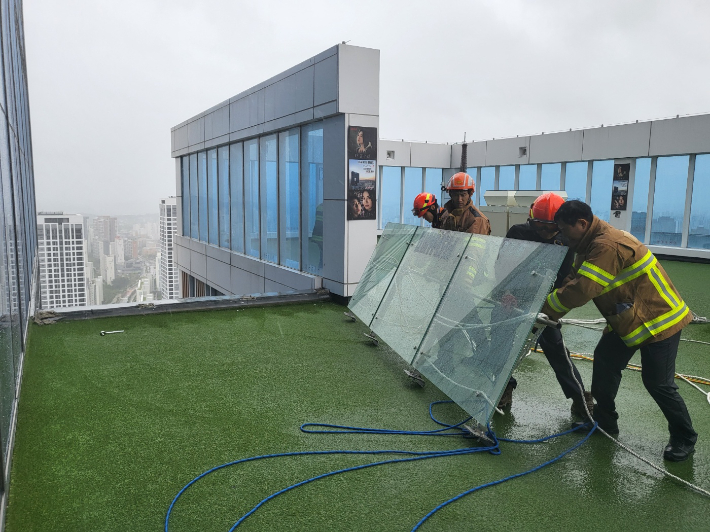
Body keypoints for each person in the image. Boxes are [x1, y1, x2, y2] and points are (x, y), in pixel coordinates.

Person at [542, 200, 697, 462]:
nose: (563, 238)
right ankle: (604, 422)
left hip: (660, 320)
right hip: (630, 317)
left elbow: (581, 291)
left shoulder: (606, 246)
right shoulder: (589, 244)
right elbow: (573, 282)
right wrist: (546, 307)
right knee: (605, 361)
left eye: (565, 232)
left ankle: (685, 437)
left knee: (658, 383)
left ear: (582, 224)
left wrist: (545, 313)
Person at [496, 193, 593, 414]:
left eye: (551, 227)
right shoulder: (518, 234)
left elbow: (564, 278)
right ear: (531, 219)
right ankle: (502, 388)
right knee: (500, 345)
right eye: (540, 226)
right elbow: (502, 266)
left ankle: (580, 398)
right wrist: (507, 292)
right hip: (511, 298)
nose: (545, 232)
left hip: (545, 302)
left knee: (556, 349)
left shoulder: (566, 241)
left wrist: (549, 307)